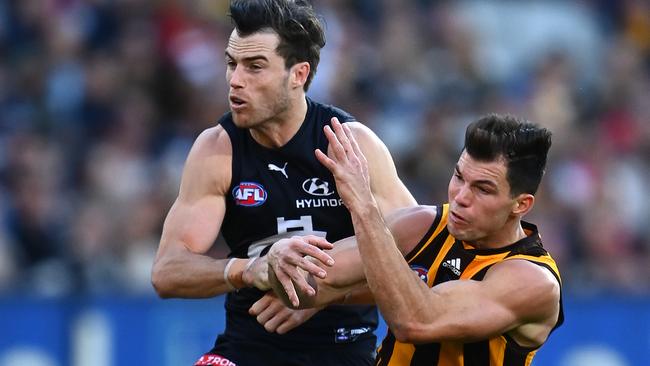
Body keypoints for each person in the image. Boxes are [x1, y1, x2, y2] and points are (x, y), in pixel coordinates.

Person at [150, 1, 416, 365]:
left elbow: (419, 265)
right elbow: (166, 272)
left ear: (299, 74)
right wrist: (247, 269)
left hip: (343, 351)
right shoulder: (217, 149)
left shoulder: (352, 145)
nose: (235, 80)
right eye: (231, 64)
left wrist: (324, 295)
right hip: (248, 350)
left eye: (255, 67)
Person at [265, 114, 564, 365]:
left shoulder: (532, 281)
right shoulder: (422, 225)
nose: (460, 197)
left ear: (520, 205)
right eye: (459, 177)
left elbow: (417, 322)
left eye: (483, 189)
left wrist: (363, 206)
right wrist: (280, 260)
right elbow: (308, 284)